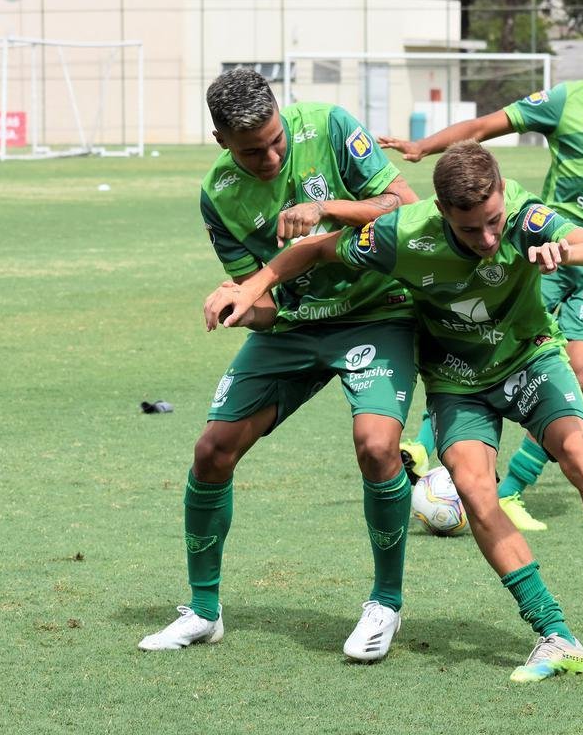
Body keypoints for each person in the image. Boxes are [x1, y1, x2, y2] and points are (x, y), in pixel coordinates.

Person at [208, 141, 583, 683]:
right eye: (469, 230)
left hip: (530, 357)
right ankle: (556, 635)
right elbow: (315, 251)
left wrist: (564, 253)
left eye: (493, 223)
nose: (486, 239)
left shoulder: (527, 218)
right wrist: (255, 284)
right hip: (458, 382)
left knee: (576, 450)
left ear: (504, 195)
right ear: (441, 213)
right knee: (476, 490)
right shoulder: (402, 233)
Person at [380, 21, 583, 531]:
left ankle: (511, 490)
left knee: (580, 372)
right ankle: (422, 447)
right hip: (543, 250)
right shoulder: (564, 100)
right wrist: (425, 147)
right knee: (483, 341)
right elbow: (489, 127)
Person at [138, 68, 421, 663]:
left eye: (275, 142)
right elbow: (266, 302)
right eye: (250, 151)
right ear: (221, 142)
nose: (269, 157)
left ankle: (384, 603)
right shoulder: (218, 195)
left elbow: (406, 206)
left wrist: (328, 209)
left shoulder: (330, 124)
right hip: (298, 325)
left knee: (375, 446)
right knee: (212, 450)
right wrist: (240, 305)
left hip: (379, 311)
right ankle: (203, 610)